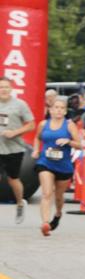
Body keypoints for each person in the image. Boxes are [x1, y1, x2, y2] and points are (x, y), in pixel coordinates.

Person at [31, 98, 81, 236]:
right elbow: (37, 137)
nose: (58, 110)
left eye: (61, 108)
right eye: (56, 107)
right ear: (50, 110)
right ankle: (45, 223)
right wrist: (36, 150)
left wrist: (68, 141)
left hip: (63, 166)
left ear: (65, 111)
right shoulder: (43, 124)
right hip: (45, 162)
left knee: (58, 197)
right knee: (47, 193)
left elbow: (80, 144)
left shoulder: (69, 125)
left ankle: (58, 213)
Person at [0, 77, 35, 223]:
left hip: (14, 148)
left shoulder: (20, 104)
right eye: (1, 87)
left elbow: (31, 125)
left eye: (6, 87)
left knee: (13, 179)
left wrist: (14, 133)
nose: (4, 89)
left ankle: (20, 203)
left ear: (11, 88)